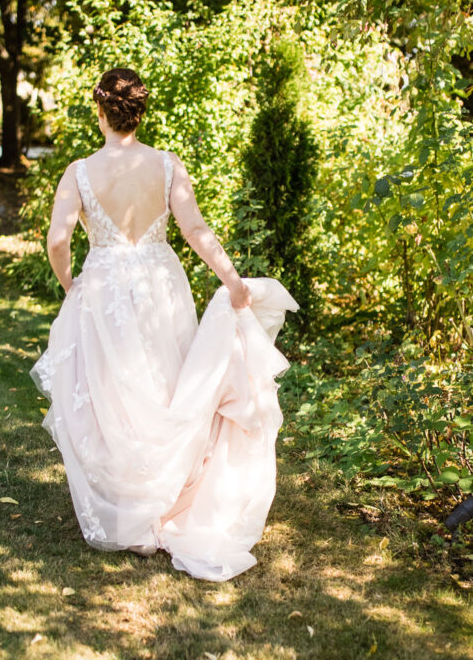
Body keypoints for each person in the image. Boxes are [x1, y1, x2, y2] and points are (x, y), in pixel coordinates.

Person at [30, 68, 298, 581]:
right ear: (140, 112)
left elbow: (58, 241)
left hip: (105, 287)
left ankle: (132, 512)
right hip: (160, 282)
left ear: (100, 111)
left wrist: (70, 286)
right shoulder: (167, 165)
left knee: (114, 395)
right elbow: (195, 229)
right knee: (165, 386)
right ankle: (165, 499)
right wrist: (232, 280)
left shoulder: (79, 173)